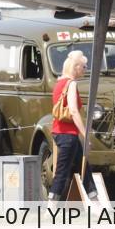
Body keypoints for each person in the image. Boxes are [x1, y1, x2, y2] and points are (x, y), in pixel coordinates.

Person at [48, 50, 95, 201]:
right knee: (62, 172)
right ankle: (51, 208)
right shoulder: (72, 84)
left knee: (85, 169)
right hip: (68, 134)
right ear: (76, 67)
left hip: (61, 133)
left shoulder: (59, 83)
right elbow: (74, 111)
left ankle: (96, 204)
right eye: (84, 66)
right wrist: (85, 134)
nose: (85, 69)